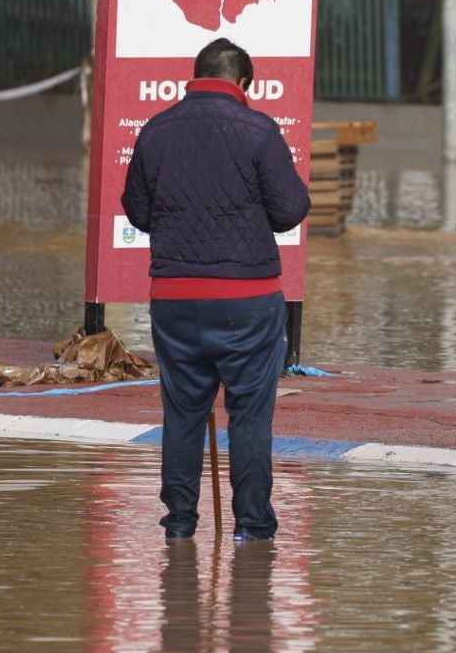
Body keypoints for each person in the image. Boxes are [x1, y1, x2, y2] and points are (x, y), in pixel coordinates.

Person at [122, 37, 311, 540]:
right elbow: (290, 210)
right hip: (248, 300)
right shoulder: (259, 130)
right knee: (249, 418)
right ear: (244, 82)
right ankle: (252, 528)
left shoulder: (156, 130)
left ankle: (180, 524)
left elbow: (137, 213)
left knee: (182, 414)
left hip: (175, 299)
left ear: (195, 76)